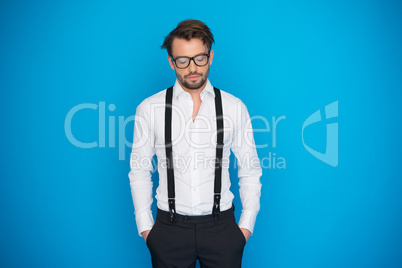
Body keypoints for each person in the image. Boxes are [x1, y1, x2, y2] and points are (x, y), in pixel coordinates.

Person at [129, 19, 262, 268]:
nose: (192, 68)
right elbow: (139, 171)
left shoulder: (234, 107)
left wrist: (245, 228)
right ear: (171, 61)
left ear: (210, 57)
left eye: (199, 58)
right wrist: (147, 229)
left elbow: (250, 170)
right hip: (168, 230)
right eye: (183, 60)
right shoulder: (149, 109)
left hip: (222, 229)